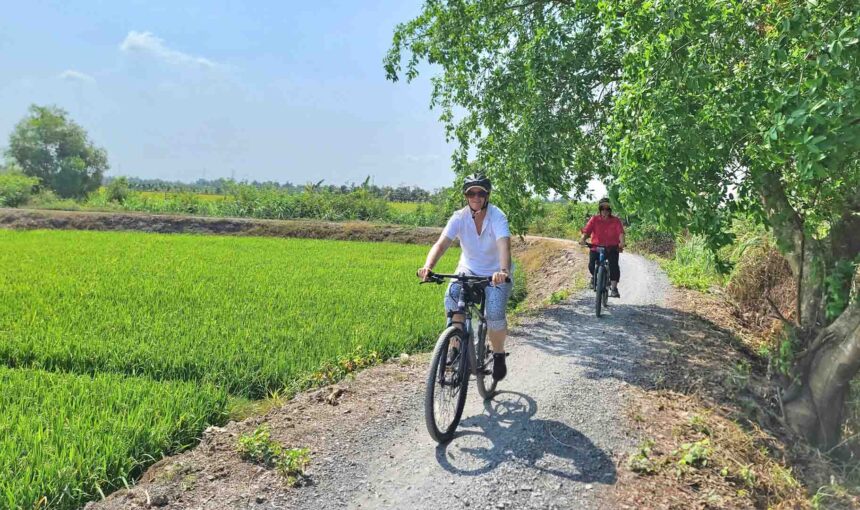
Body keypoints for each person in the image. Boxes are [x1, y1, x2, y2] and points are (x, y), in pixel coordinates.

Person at [417, 174, 513, 381]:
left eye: (480, 193)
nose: (475, 197)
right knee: (452, 300)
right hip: (467, 269)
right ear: (466, 196)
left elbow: (504, 244)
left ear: (487, 195)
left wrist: (504, 271)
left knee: (494, 313)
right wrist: (428, 267)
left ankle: (498, 354)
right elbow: (441, 244)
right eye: (471, 193)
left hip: (495, 273)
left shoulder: (497, 217)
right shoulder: (459, 217)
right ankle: (455, 347)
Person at [580, 197, 625, 298]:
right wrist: (583, 239)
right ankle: (594, 277)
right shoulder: (594, 219)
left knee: (614, 266)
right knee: (591, 265)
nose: (605, 211)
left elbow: (621, 233)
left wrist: (622, 242)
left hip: (611, 248)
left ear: (610, 210)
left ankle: (614, 289)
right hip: (596, 247)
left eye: (607, 209)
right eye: (603, 208)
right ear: (600, 209)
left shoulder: (616, 220)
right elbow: (587, 231)